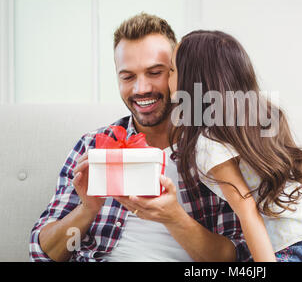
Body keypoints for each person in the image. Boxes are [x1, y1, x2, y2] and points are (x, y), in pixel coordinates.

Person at [29, 14, 251, 262]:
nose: (140, 89)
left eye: (155, 72)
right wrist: (87, 210)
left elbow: (237, 258)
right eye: (128, 77)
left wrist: (174, 217)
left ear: (178, 73)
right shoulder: (94, 144)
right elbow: (43, 254)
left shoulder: (214, 152)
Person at [167, 30, 302, 262]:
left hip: (299, 243)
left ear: (192, 79)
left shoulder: (208, 142)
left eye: (172, 69)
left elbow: (247, 211)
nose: (167, 77)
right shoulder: (261, 116)